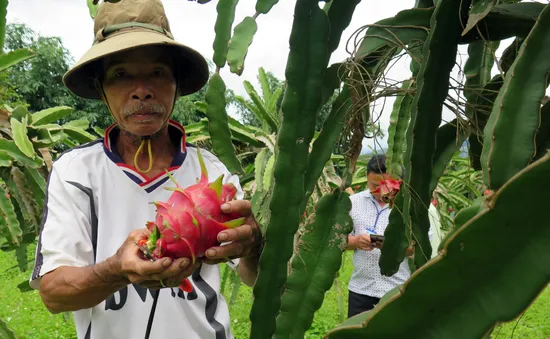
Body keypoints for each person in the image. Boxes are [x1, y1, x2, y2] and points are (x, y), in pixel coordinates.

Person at [28, 1, 263, 338]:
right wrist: (116, 271)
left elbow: (252, 276)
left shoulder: (212, 174)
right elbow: (53, 292)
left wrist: (253, 243)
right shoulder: (75, 172)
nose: (142, 90)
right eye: (121, 75)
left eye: (157, 73)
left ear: (176, 84)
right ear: (101, 89)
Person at [345, 154, 433, 318]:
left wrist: (388, 244)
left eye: (386, 186)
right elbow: (339, 240)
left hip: (396, 290)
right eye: (374, 185)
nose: (380, 192)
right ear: (366, 176)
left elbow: (419, 247)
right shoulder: (353, 203)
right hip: (360, 290)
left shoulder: (413, 208)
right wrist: (356, 241)